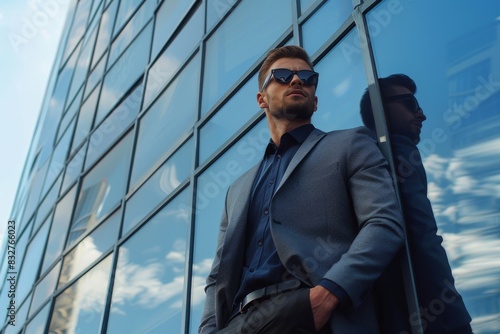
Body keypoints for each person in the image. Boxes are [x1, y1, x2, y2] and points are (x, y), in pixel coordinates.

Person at [198, 45, 405, 334]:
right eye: (282, 75)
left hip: (308, 308)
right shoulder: (236, 189)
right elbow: (218, 276)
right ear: (261, 99)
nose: (296, 81)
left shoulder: (350, 144)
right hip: (238, 322)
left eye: (307, 77)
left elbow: (384, 224)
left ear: (316, 101)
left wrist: (331, 293)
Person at [360, 74, 473, 333]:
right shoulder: (399, 149)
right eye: (410, 104)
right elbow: (424, 236)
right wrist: (453, 313)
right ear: (381, 107)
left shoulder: (363, 158)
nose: (421, 115)